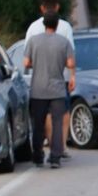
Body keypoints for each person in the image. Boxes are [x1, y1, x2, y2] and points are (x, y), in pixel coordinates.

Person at [23, 10, 75, 168]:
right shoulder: (63, 42)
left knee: (38, 124)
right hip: (58, 89)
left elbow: (26, 63)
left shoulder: (33, 41)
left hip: (38, 89)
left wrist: (36, 64)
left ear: (44, 24)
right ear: (57, 24)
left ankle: (38, 155)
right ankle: (55, 157)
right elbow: (71, 63)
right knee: (57, 123)